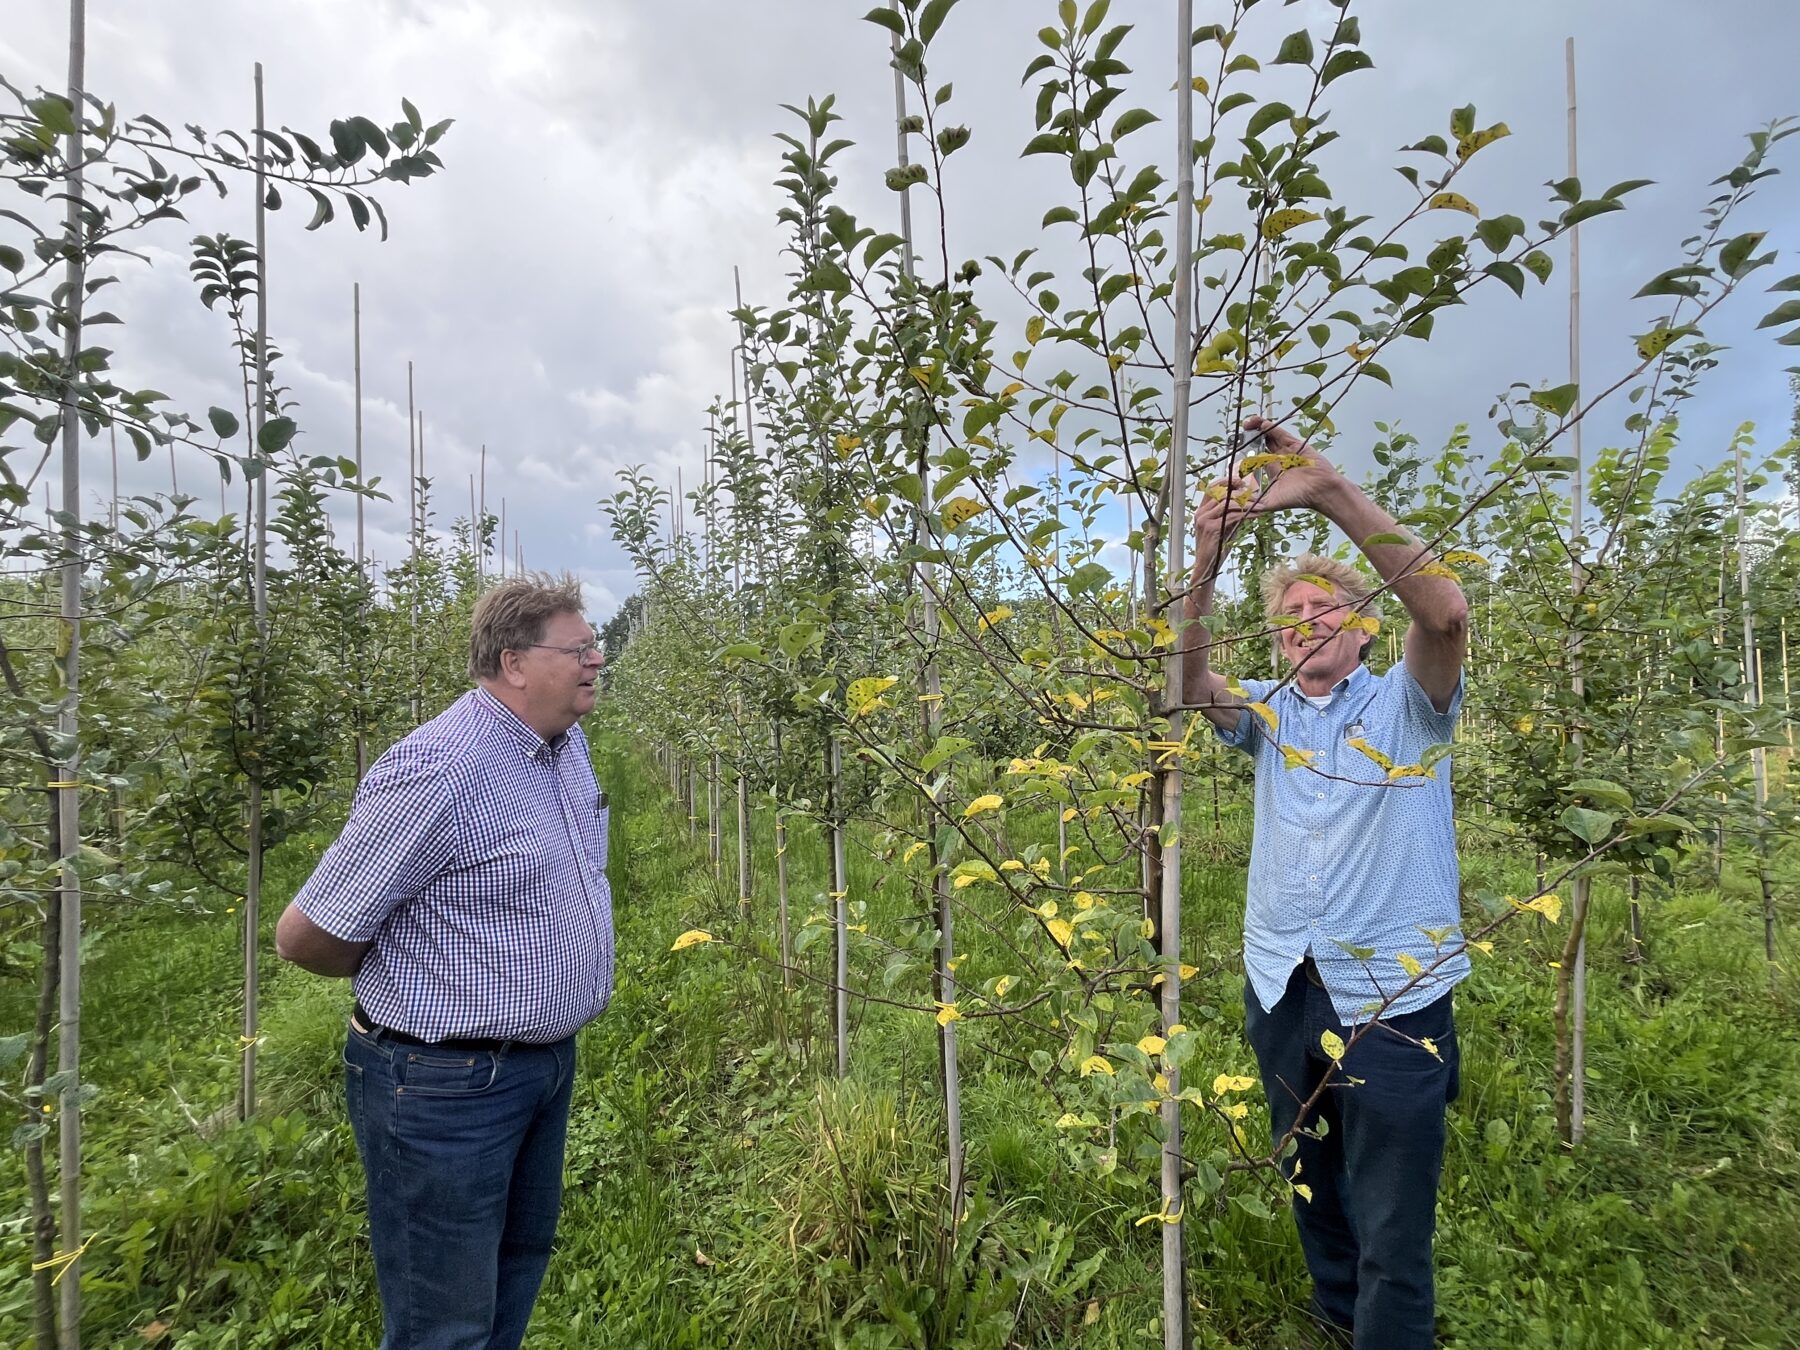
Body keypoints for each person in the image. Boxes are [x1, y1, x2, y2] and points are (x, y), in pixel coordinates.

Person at [1181, 416, 1471, 1349]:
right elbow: (1186, 683)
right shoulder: (1266, 714)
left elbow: (1448, 612)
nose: (1302, 623)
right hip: (1283, 983)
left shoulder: (1407, 706)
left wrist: (1331, 491)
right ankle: (1337, 1315)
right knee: (1309, 1171)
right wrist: (1203, 560)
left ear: (1364, 623)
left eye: (1323, 610)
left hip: (1389, 995)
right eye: (1289, 615)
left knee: (1393, 1211)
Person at [275, 573, 615, 1350]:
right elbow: (307, 934)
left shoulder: (564, 747)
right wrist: (422, 981)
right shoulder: (441, 769)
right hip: (443, 1088)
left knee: (516, 1268)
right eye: (581, 647)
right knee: (443, 1320)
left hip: (540, 1068)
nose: (597, 659)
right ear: (515, 661)